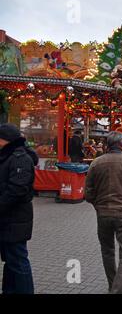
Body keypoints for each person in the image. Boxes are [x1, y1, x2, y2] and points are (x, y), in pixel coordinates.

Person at [85, 131, 122, 294]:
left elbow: (88, 192)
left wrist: (98, 205)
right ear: (121, 144)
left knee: (107, 250)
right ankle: (117, 290)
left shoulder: (96, 163)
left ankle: (112, 285)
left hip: (103, 214)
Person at [0, 124, 38, 294]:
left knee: (18, 261)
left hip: (15, 220)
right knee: (11, 260)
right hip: (8, 219)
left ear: (5, 140)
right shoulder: (8, 156)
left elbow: (16, 190)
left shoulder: (19, 158)